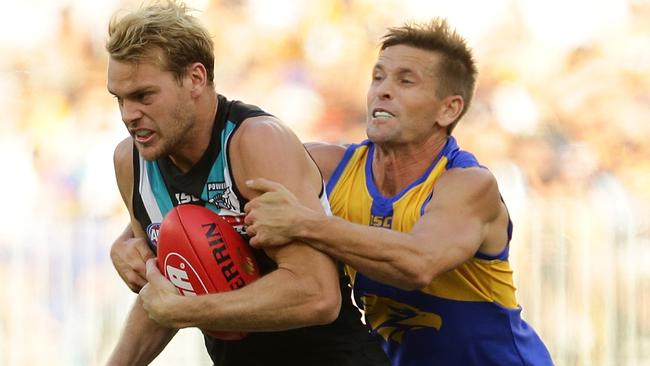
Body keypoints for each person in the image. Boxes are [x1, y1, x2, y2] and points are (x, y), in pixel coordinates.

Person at [243, 19, 554, 365]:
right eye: (378, 77)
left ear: (448, 109)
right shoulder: (327, 166)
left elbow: (417, 264)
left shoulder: (468, 184)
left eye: (406, 81)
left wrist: (303, 222)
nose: (383, 90)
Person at [104, 1, 388, 365]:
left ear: (195, 78)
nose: (129, 115)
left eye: (143, 96)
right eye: (120, 99)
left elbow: (317, 295)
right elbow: (162, 298)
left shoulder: (255, 142)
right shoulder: (130, 162)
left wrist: (188, 311)